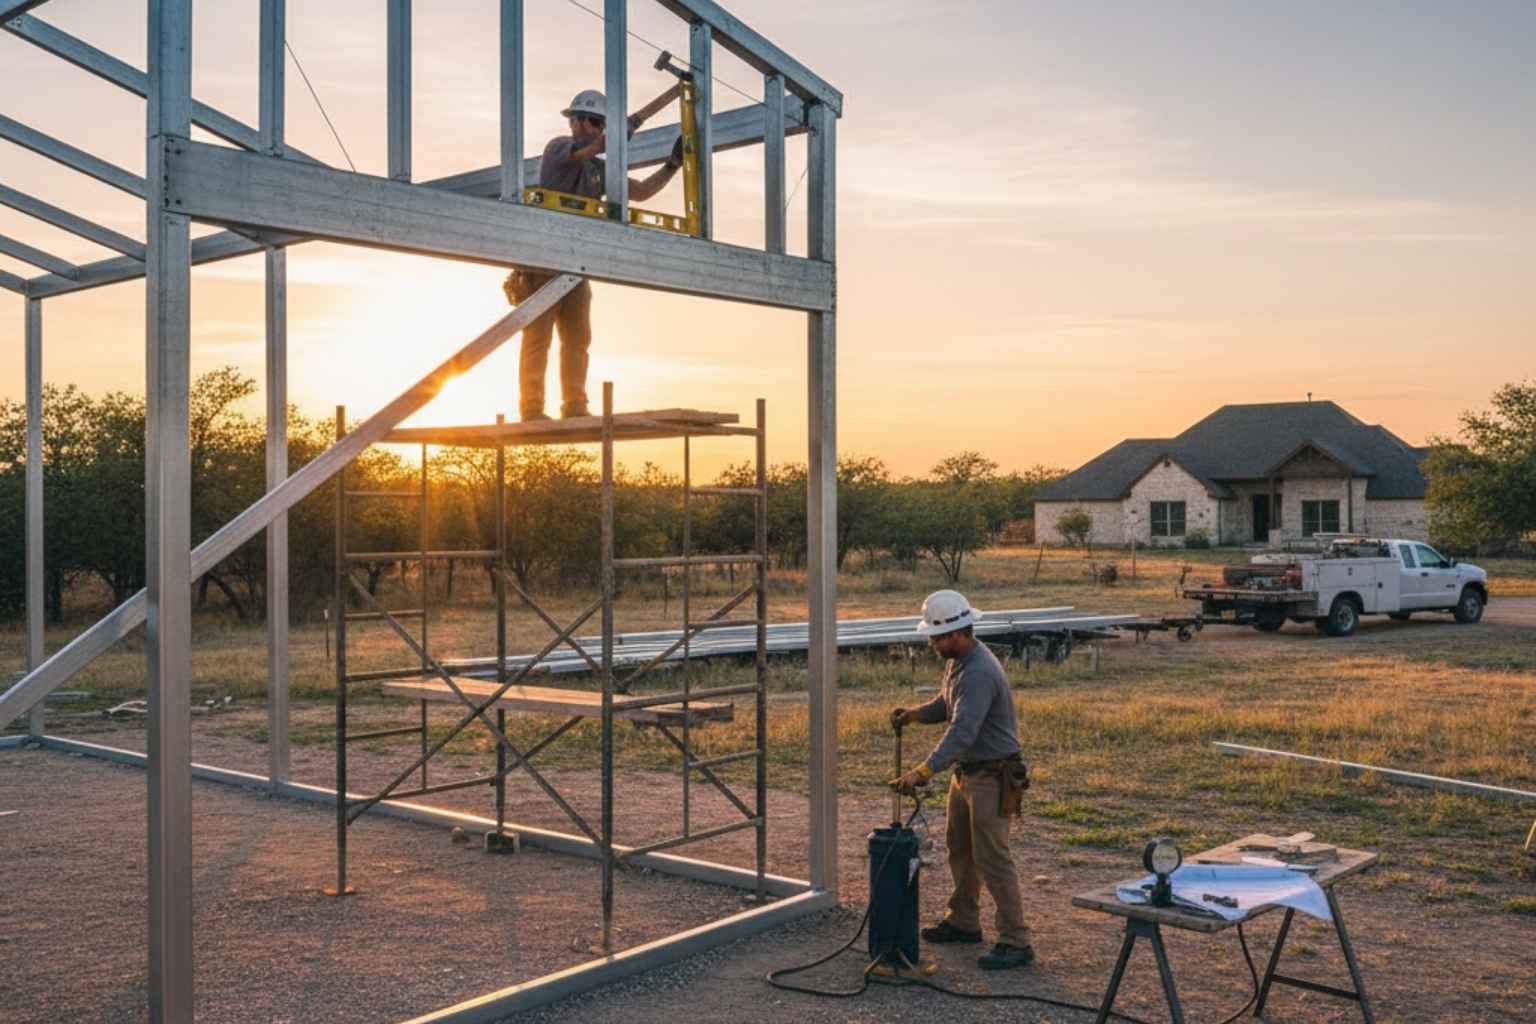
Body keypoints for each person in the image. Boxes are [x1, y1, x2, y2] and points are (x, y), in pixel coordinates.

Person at [505, 89, 686, 421]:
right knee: (538, 336)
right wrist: (627, 126)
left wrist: (672, 165)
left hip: (577, 263)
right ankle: (531, 408)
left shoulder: (599, 171)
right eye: (585, 120)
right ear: (573, 121)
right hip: (543, 260)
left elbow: (642, 191)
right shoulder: (558, 148)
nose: (589, 126)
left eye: (597, 122)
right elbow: (591, 148)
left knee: (577, 339)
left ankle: (575, 406)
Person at [890, 589, 1034, 970]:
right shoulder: (959, 662)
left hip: (992, 776)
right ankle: (964, 921)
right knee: (961, 850)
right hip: (967, 775)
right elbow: (945, 704)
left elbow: (962, 732)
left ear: (959, 632)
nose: (932, 643)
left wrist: (923, 771)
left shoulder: (980, 671)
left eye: (938, 637)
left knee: (993, 859)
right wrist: (914, 715)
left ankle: (1016, 941)